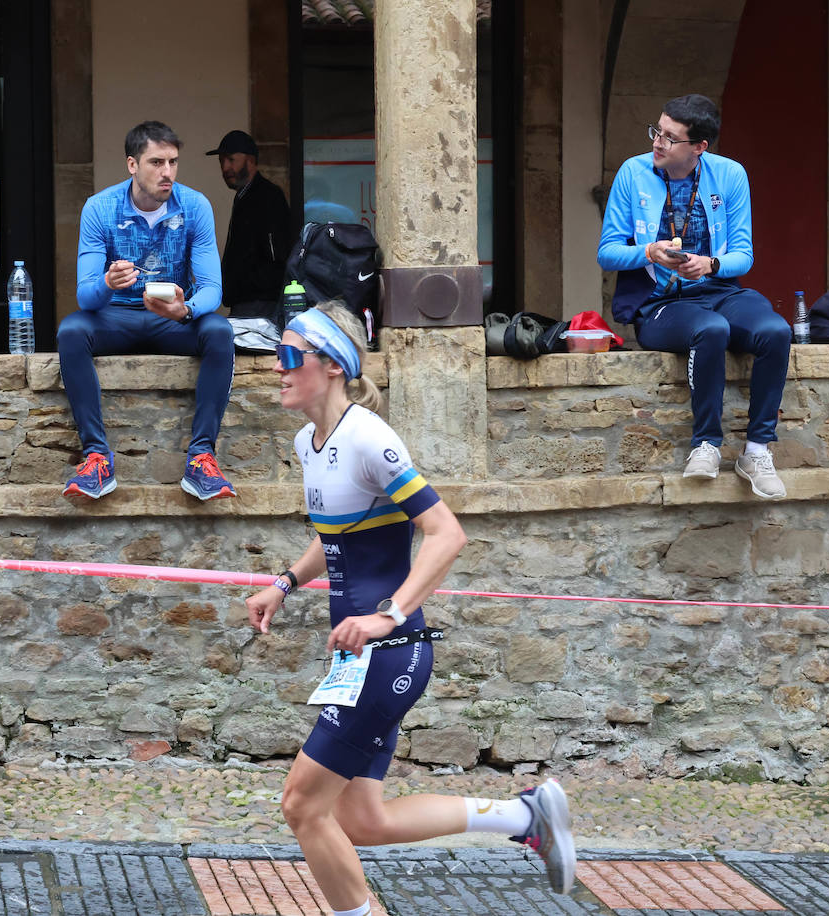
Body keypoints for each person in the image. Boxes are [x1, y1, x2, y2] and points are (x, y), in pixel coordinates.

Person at [244, 302, 577, 914]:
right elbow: (337, 533)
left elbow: (446, 533)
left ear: (333, 365)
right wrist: (286, 582)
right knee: (362, 819)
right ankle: (522, 814)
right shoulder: (308, 442)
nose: (277, 368)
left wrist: (387, 614)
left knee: (301, 805)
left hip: (388, 654)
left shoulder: (371, 437)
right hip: (361, 658)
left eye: (290, 355)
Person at [597, 93, 791, 499]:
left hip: (718, 289)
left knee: (775, 330)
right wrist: (649, 252)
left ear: (699, 147)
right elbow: (607, 252)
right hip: (659, 303)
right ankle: (706, 444)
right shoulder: (633, 173)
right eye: (657, 130)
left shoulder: (730, 175)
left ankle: (756, 450)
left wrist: (710, 264)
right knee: (712, 330)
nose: (657, 142)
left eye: (670, 137)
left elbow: (743, 254)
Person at [58, 121, 236, 501]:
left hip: (172, 319)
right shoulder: (100, 208)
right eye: (156, 162)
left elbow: (213, 290)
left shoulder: (195, 205)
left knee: (219, 331)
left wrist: (185, 310)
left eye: (173, 162)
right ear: (132, 165)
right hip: (115, 316)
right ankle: (96, 458)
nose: (167, 172)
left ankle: (202, 457)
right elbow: (85, 297)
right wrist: (107, 284)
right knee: (71, 330)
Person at [205, 129, 290, 317]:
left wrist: (248, 283)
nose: (225, 167)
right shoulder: (245, 196)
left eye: (231, 160)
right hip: (246, 301)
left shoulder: (267, 196)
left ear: (250, 160)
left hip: (261, 305)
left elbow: (277, 255)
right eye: (221, 161)